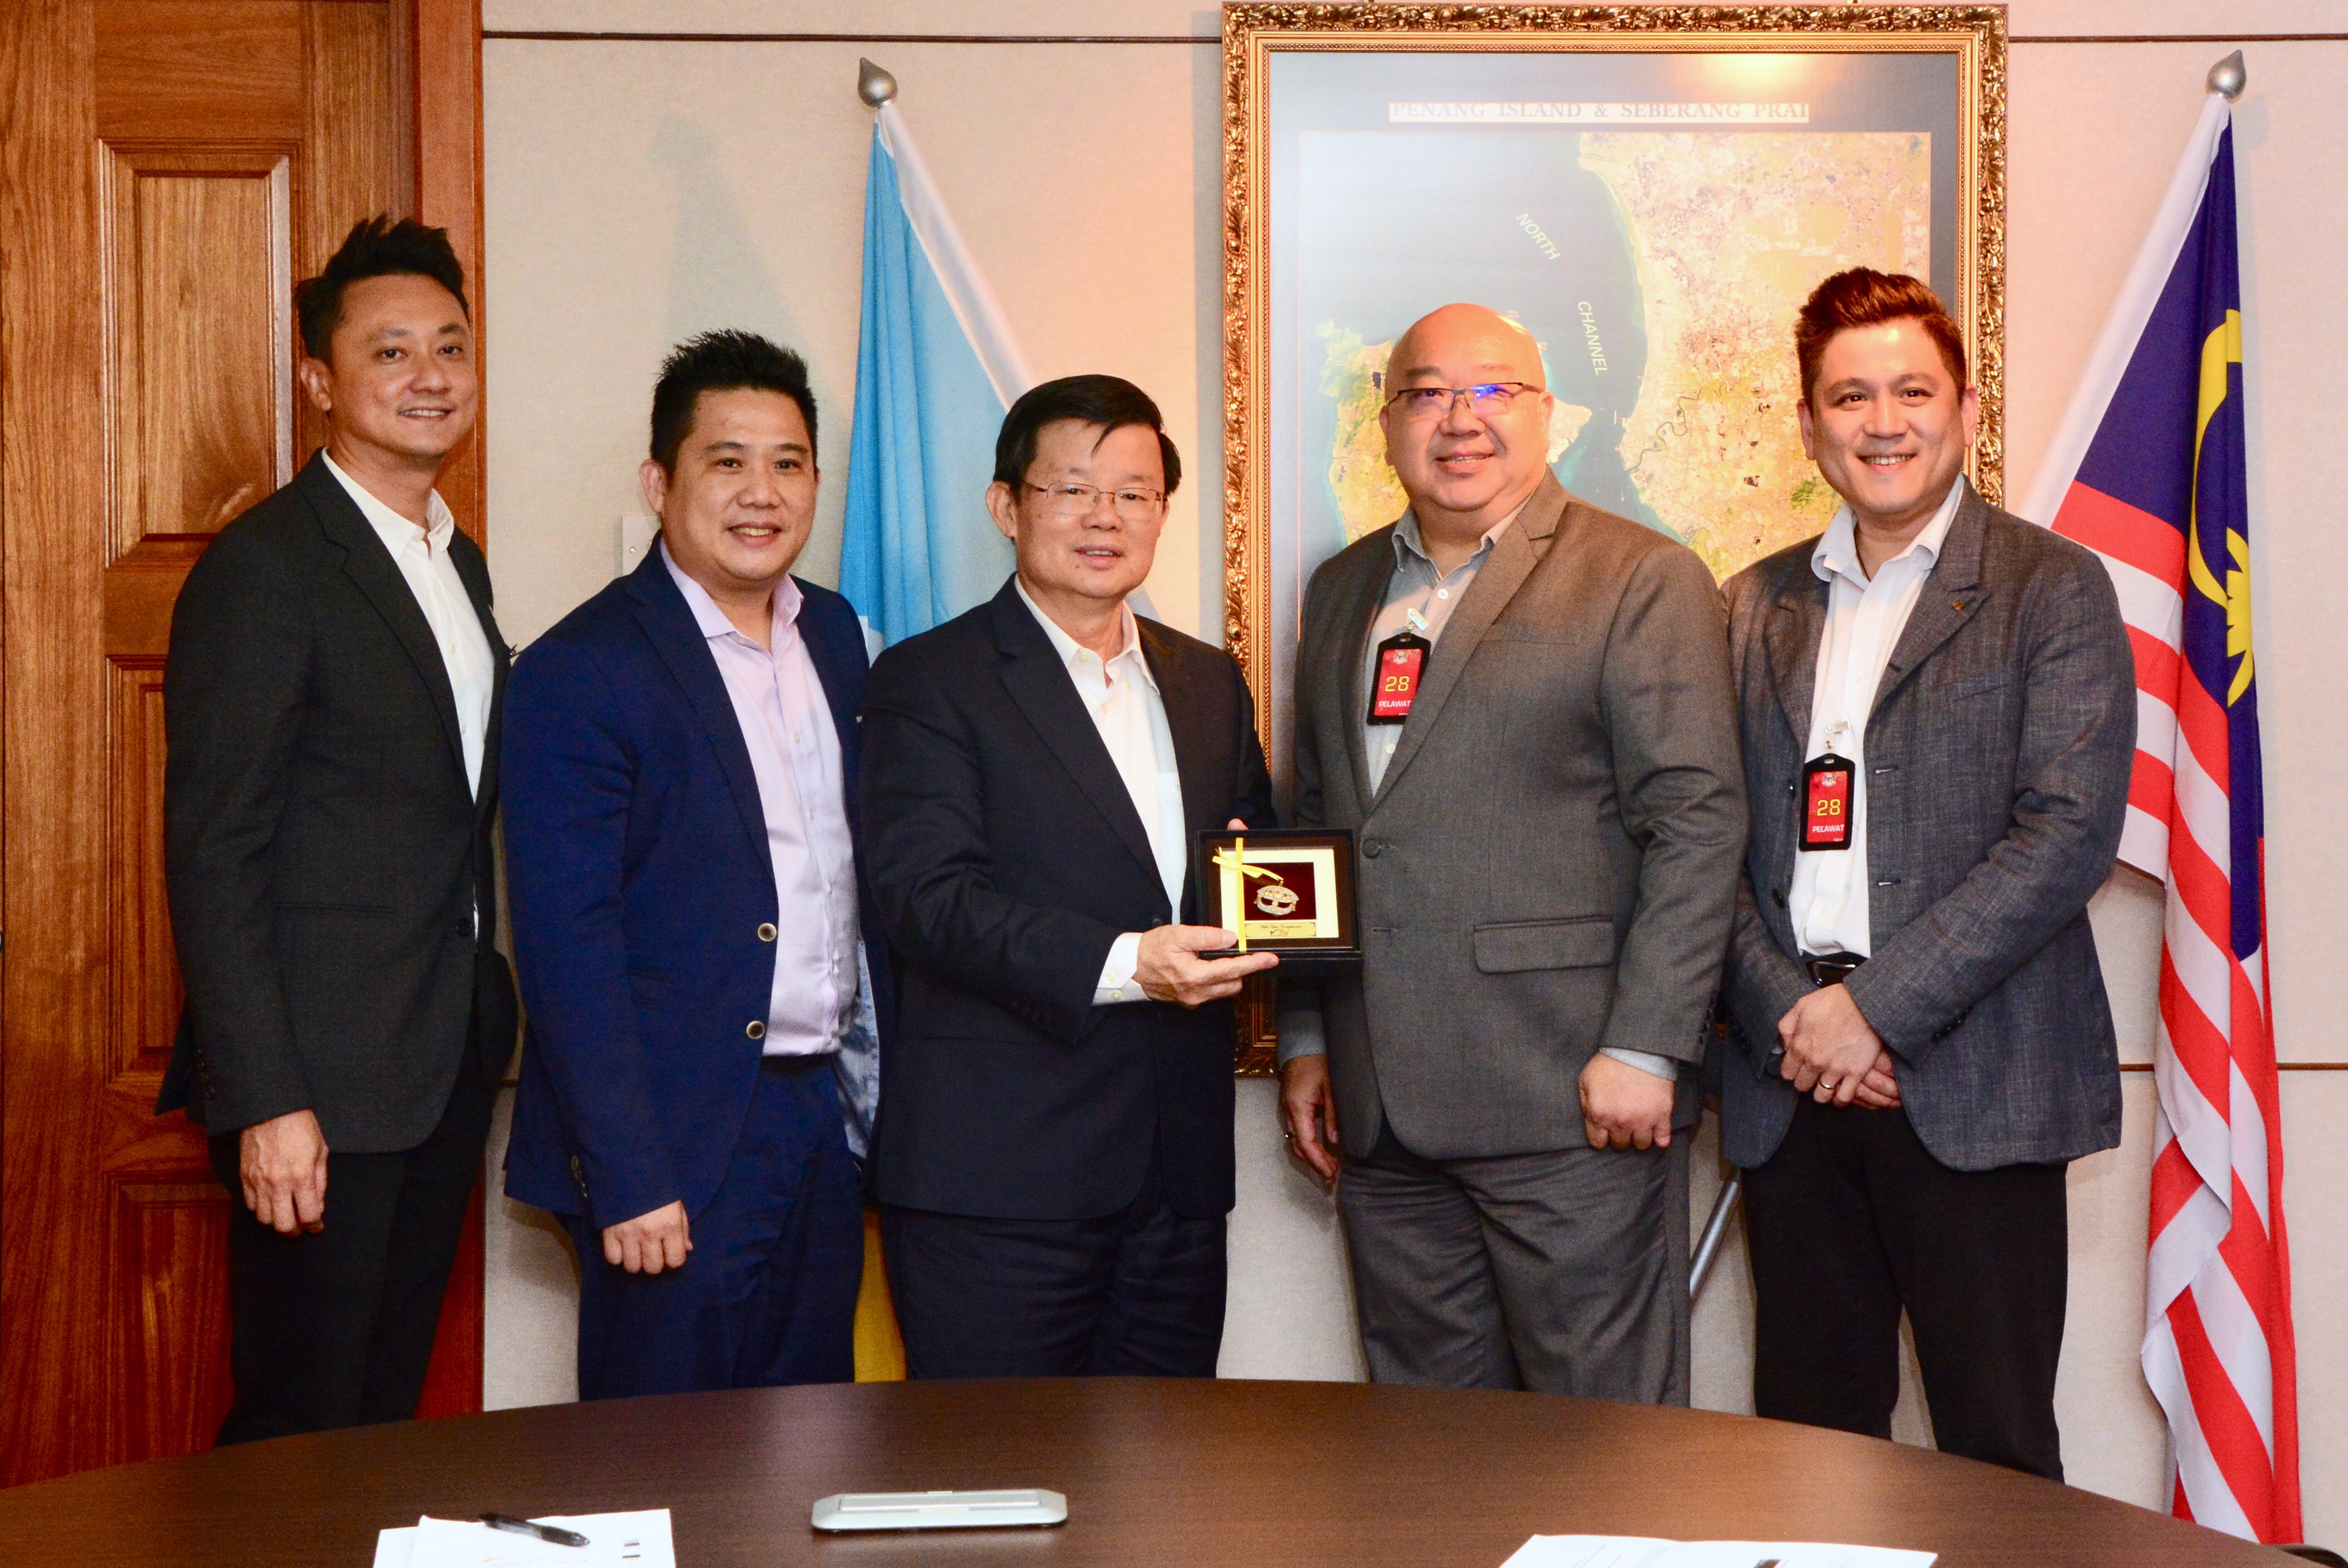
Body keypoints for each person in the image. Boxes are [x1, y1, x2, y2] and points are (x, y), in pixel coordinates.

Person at [1277, 303, 1745, 1403]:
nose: (1460, 419)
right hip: (1380, 1116)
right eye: (1426, 393)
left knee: (1603, 1447)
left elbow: (1696, 820)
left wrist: (1647, 1047)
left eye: (1493, 390)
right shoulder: (1341, 588)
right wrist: (1307, 1034)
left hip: (1572, 1102)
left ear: (1548, 412)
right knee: (1432, 1453)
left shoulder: (1639, 576)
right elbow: (1323, 829)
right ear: (1386, 423)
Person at [1719, 269, 2135, 1478]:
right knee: (1810, 1463)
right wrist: (1797, 1018)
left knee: (1996, 1463)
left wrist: (1874, 1013)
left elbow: (2065, 833)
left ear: (1965, 408)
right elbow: (1704, 843)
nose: (1882, 422)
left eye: (1912, 391)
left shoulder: (2052, 587)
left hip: (1974, 1086)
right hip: (1792, 1083)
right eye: (1850, 396)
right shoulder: (1749, 606)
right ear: (1809, 422)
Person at [159, 215, 516, 1442]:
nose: (431, 377)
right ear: (320, 381)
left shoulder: (455, 562)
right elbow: (215, 852)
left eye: (450, 348)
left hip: (437, 1065)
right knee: (296, 1434)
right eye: (391, 352)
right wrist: (265, 1102)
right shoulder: (270, 567)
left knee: (377, 1425)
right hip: (317, 1089)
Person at [860, 375, 1275, 1378]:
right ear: (1007, 506)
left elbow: (1253, 862)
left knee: (1165, 1466)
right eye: (1074, 489)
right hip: (998, 1182)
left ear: (1163, 513)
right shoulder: (929, 680)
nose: (1106, 517)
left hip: (1176, 1182)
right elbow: (925, 898)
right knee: (996, 1465)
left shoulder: (1207, 680)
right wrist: (1133, 964)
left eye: (1134, 493)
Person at [500, 332, 884, 1398]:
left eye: (789, 463)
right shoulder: (581, 668)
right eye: (728, 462)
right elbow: (567, 946)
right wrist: (628, 1173)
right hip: (674, 1137)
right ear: (659, 483)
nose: (762, 492)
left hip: (821, 1118)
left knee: (812, 1445)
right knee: (661, 1461)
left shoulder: (836, 636)